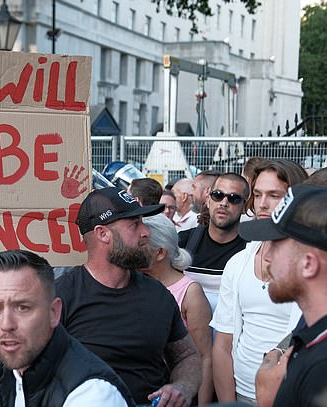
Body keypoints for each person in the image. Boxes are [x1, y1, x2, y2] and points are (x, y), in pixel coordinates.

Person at [56, 187, 201, 406]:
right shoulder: (61, 296)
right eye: (134, 224)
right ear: (102, 234)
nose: (146, 232)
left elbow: (187, 356)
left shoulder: (158, 294)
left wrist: (182, 387)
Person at [0, 249, 136, 407]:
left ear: (54, 312)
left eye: (22, 308)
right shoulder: (2, 382)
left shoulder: (93, 393)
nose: (6, 325)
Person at [210, 160, 307, 405]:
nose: (262, 204)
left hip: (292, 395)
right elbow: (223, 344)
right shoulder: (238, 262)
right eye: (258, 194)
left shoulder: (311, 264)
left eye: (274, 195)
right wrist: (228, 402)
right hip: (240, 393)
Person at [240, 183, 327, 407]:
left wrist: (272, 402)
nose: (266, 256)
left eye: (276, 244)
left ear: (308, 264)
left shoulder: (322, 368)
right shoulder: (312, 334)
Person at [142, 214, 213, 405]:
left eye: (142, 243)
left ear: (160, 253)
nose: (133, 247)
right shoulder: (133, 284)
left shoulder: (190, 292)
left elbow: (205, 356)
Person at [179, 173, 249, 311]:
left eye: (233, 198)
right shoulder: (182, 242)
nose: (224, 203)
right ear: (208, 199)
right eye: (217, 195)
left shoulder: (252, 252)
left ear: (244, 207)